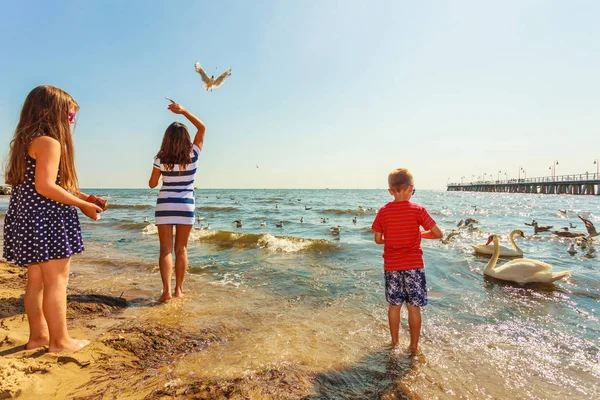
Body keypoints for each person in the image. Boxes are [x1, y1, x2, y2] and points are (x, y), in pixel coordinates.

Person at [3, 85, 104, 353]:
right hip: (48, 220)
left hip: (30, 220)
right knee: (57, 282)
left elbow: (47, 182)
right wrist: (83, 204)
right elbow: (46, 187)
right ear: (49, 111)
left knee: (36, 283)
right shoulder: (50, 142)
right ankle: (60, 342)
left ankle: (38, 337)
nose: (71, 122)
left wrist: (83, 197)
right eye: (69, 116)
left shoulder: (28, 141)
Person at [371, 168, 443, 353]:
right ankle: (413, 347)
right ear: (411, 188)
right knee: (414, 308)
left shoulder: (383, 212)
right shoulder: (418, 210)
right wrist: (418, 235)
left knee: (394, 306)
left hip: (392, 266)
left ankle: (394, 343)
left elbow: (378, 240)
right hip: (414, 267)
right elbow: (438, 234)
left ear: (390, 191)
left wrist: (394, 239)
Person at [148, 101, 206, 302]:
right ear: (186, 139)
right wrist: (184, 112)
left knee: (165, 249)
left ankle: (166, 292)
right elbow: (202, 127)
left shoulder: (160, 157)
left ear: (167, 139)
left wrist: (162, 173)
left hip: (165, 204)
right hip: (185, 205)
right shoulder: (193, 155)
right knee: (181, 249)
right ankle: (179, 289)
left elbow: (152, 184)